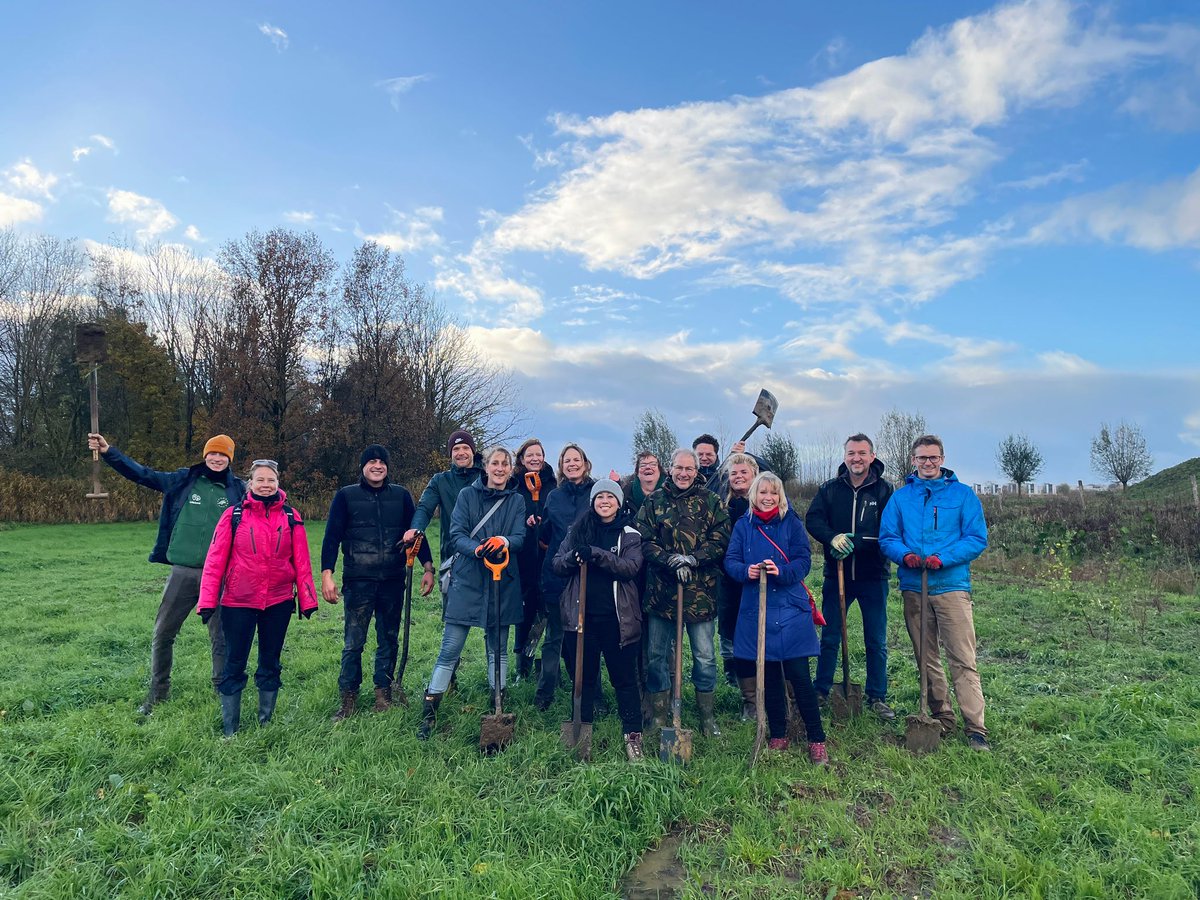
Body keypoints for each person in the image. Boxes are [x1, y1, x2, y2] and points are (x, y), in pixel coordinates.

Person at [87, 431, 245, 715]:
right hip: (182, 572)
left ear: (230, 458)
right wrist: (110, 452)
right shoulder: (183, 480)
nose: (217, 458)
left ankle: (222, 690)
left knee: (221, 638)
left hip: (220, 576)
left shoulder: (238, 490)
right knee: (163, 634)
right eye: (213, 453)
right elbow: (143, 475)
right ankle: (158, 693)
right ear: (205, 455)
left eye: (223, 454)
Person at [879, 435, 991, 751]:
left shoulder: (963, 496)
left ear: (942, 459)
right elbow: (887, 537)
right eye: (921, 458)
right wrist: (905, 555)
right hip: (915, 588)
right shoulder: (901, 499)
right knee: (925, 658)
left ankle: (975, 728)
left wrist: (944, 558)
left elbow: (976, 538)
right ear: (912, 460)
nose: (927, 463)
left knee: (962, 656)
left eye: (933, 457)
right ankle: (942, 716)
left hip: (951, 587)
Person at [197, 459, 320, 736]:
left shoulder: (291, 516)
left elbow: (301, 561)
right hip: (238, 602)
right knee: (234, 661)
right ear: (250, 483)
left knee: (270, 661)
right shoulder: (234, 515)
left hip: (277, 602)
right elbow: (215, 560)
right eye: (260, 480)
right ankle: (231, 727)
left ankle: (265, 721)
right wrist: (207, 601)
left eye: (271, 480)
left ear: (278, 483)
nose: (266, 485)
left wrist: (308, 599)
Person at [417, 446, 526, 740]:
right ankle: (430, 707)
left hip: (502, 579)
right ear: (486, 467)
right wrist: (478, 549)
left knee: (498, 647)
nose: (500, 468)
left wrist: (502, 540)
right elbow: (457, 534)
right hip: (468, 579)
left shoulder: (516, 500)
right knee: (451, 646)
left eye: (505, 464)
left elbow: (519, 536)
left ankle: (497, 700)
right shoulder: (467, 495)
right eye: (495, 463)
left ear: (510, 469)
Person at [321, 444, 434, 722]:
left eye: (381, 462)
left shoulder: (401, 496)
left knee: (388, 639)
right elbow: (331, 537)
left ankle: (383, 693)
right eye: (371, 462)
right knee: (353, 642)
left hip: (393, 580)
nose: (377, 466)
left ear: (387, 466)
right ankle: (348, 696)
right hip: (359, 581)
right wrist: (327, 574)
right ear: (362, 467)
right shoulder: (346, 496)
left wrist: (428, 567)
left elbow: (415, 533)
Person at [725, 472, 828, 763]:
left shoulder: (792, 523)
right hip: (756, 609)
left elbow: (803, 561)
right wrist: (747, 571)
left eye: (773, 492)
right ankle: (779, 734)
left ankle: (816, 738)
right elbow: (730, 561)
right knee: (768, 677)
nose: (767, 497)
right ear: (753, 496)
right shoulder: (743, 526)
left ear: (780, 495)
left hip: (790, 610)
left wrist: (780, 571)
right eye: (762, 493)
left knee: (799, 677)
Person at [637, 447, 731, 737]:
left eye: (689, 469)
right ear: (671, 468)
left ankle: (706, 717)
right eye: (679, 468)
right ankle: (659, 715)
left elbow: (721, 538)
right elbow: (643, 538)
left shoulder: (711, 502)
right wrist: (669, 560)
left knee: (704, 656)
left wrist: (693, 559)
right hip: (662, 594)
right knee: (656, 655)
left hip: (701, 593)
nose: (684, 473)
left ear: (696, 471)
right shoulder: (654, 502)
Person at [551, 479, 646, 761]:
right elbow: (557, 563)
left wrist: (596, 554)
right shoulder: (577, 530)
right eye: (600, 497)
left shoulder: (629, 534)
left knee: (624, 680)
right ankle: (581, 736)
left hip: (618, 621)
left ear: (618, 502)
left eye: (610, 497)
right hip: (581, 621)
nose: (605, 501)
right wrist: (573, 557)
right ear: (593, 502)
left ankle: (633, 736)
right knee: (584, 679)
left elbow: (629, 567)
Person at [805, 433, 896, 720]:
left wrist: (857, 541)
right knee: (830, 636)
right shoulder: (830, 489)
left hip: (873, 575)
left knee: (876, 640)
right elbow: (813, 520)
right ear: (845, 456)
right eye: (851, 453)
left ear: (872, 456)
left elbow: (890, 532)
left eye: (862, 453)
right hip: (837, 575)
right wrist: (833, 538)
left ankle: (877, 696)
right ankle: (821, 690)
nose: (856, 458)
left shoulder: (884, 491)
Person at [533, 443, 597, 711]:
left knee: (588, 638)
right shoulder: (554, 497)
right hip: (557, 575)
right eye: (566, 460)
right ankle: (544, 695)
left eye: (576, 459)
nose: (572, 464)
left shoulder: (597, 492)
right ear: (561, 466)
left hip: (589, 575)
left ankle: (592, 696)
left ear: (585, 462)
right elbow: (546, 535)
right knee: (555, 637)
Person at [510, 438, 557, 680]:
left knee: (547, 608)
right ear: (521, 458)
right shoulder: (514, 484)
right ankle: (522, 665)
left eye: (539, 454)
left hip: (547, 554)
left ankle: (549, 666)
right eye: (530, 455)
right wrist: (525, 523)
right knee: (525, 608)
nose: (535, 458)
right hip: (523, 555)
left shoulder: (552, 483)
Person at [404, 429, 484, 570]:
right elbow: (425, 508)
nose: (461, 453)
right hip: (453, 556)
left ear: (473, 451)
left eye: (466, 448)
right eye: (456, 449)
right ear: (450, 454)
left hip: (484, 552)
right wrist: (416, 528)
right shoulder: (440, 481)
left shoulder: (486, 477)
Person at [718, 453, 760, 711]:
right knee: (734, 633)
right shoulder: (722, 506)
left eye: (744, 472)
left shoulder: (765, 502)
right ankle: (747, 696)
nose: (738, 477)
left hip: (760, 578)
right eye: (734, 473)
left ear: (754, 474)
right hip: (729, 578)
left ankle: (769, 689)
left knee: (761, 634)